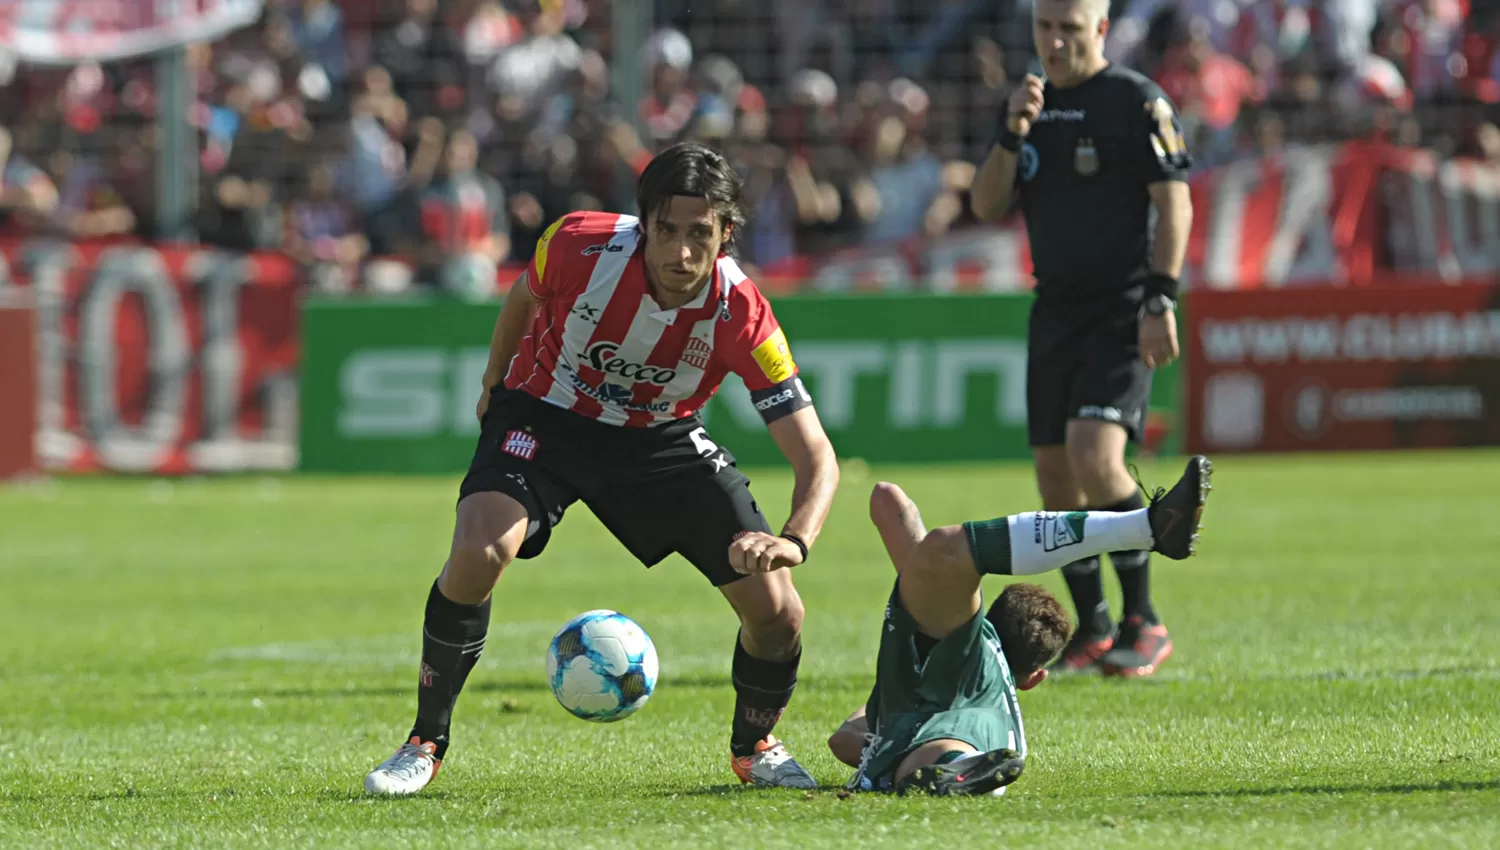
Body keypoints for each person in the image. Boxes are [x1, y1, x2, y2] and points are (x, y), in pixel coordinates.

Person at [364, 142, 841, 796]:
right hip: (544, 415)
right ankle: (424, 741)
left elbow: (816, 455)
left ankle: (754, 747)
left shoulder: (743, 313)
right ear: (643, 223)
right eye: (665, 231)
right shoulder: (576, 245)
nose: (679, 253)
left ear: (726, 234)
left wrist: (794, 538)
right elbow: (522, 301)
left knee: (780, 614)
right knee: (479, 553)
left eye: (699, 235)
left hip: (660, 440)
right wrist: (494, 383)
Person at [968, 0, 1196, 677]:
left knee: (1097, 457)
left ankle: (1143, 620)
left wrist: (1161, 294)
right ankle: (1092, 629)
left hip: (1122, 309)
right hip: (1054, 313)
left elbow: (1174, 198)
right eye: (1046, 28)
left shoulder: (1135, 101)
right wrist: (1010, 134)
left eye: (1071, 29)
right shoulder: (1028, 108)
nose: (1057, 42)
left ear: (1100, 30)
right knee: (1056, 478)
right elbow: (985, 204)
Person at [827, 456, 1212, 796]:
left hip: (943, 734)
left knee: (944, 545)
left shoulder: (974, 651)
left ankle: (1148, 528)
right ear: (1034, 678)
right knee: (925, 747)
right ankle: (951, 768)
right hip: (969, 738)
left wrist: (882, 707)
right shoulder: (993, 702)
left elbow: (886, 498)